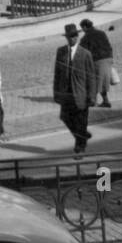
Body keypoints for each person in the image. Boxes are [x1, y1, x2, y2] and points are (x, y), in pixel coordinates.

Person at [53, 23, 97, 156]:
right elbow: (57, 74)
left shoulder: (85, 54)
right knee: (65, 117)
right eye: (69, 37)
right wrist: (56, 92)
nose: (71, 39)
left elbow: (91, 77)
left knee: (81, 121)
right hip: (66, 93)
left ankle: (80, 148)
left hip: (81, 94)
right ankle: (82, 135)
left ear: (77, 36)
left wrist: (92, 96)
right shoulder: (61, 52)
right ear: (66, 38)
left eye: (73, 36)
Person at [79, 19, 114, 107]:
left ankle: (93, 100)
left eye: (82, 28)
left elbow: (82, 51)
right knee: (101, 81)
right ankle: (104, 101)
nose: (82, 30)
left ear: (84, 27)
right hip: (108, 58)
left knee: (93, 81)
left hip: (97, 60)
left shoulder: (86, 37)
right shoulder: (102, 33)